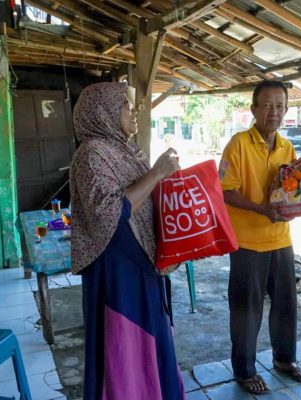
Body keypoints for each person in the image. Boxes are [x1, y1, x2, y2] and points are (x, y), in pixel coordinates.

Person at [69, 82, 184, 400]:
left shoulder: (126, 151)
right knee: (124, 351)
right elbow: (107, 213)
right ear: (103, 111)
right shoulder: (92, 153)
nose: (133, 111)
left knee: (151, 342)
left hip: (142, 263)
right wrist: (157, 173)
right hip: (116, 271)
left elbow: (146, 201)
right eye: (124, 104)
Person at [219, 80, 301, 394]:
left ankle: (285, 360)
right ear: (254, 109)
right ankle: (244, 370)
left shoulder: (286, 146)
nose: (274, 112)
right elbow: (225, 191)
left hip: (281, 238)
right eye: (268, 105)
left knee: (286, 305)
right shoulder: (238, 144)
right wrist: (261, 209)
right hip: (247, 242)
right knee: (247, 309)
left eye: (280, 105)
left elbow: (290, 188)